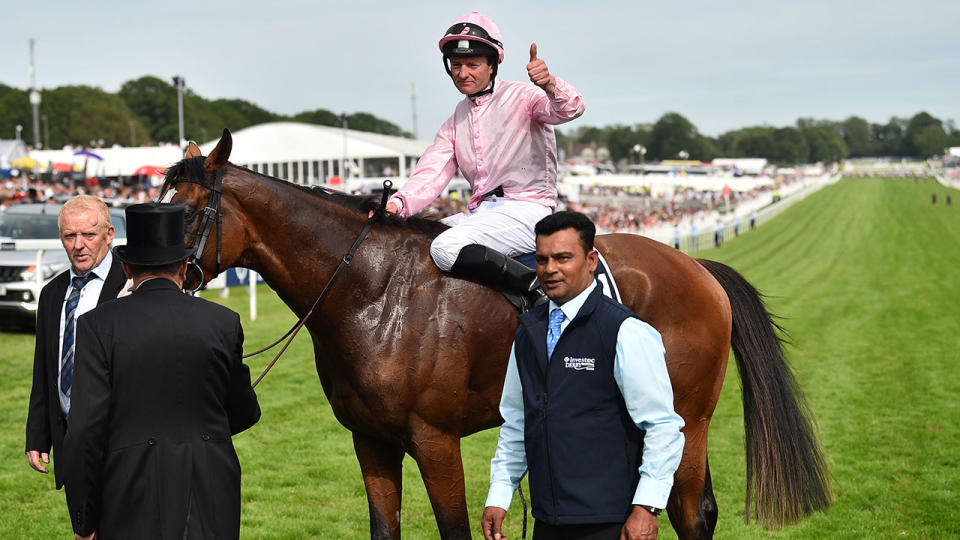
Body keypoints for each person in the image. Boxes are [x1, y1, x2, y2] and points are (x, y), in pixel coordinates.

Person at [480, 211, 685, 540]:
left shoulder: (625, 331)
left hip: (611, 521)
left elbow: (662, 426)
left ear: (591, 261)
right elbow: (518, 420)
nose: (550, 269)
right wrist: (500, 494)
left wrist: (647, 506)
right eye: (542, 259)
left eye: (563, 258)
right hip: (547, 521)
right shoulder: (528, 330)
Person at [64, 203, 261, 539]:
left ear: (126, 268)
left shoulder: (97, 325)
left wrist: (84, 519)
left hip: (129, 491)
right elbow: (244, 410)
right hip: (210, 488)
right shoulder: (223, 322)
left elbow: (85, 430)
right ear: (184, 266)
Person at [383, 11, 585, 303]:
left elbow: (571, 109)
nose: (462, 73)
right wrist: (397, 204)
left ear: (493, 65)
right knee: (415, 242)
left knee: (444, 248)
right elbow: (431, 173)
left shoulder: (524, 97)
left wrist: (550, 85)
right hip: (482, 214)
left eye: (472, 64)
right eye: (456, 65)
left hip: (527, 212)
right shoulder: (456, 119)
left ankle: (536, 291)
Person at [24, 195, 127, 507]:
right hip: (71, 440)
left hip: (122, 438)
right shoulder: (51, 294)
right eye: (70, 236)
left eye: (89, 235)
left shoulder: (133, 285)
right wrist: (38, 435)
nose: (79, 244)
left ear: (109, 235)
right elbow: (45, 369)